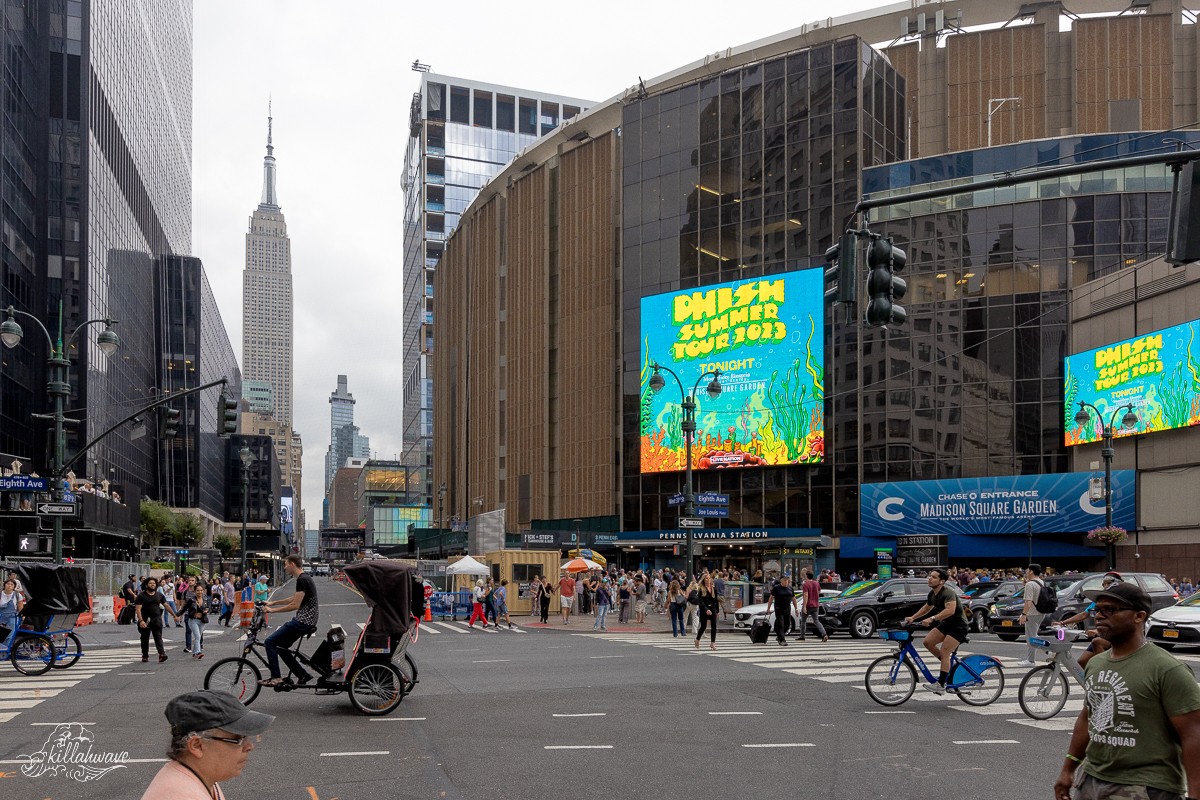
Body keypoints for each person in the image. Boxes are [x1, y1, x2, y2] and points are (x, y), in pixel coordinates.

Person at [1054, 582, 1200, 800]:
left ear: (1139, 616)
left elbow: (1193, 735)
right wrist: (1067, 769)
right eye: (1098, 609)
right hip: (1091, 781)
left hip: (1145, 787)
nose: (1099, 616)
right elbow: (1087, 718)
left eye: (1110, 610)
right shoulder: (1097, 663)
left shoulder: (1168, 669)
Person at [140, 689, 274, 800]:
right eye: (238, 738)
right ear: (197, 745)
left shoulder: (199, 776)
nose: (249, 746)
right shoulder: (181, 795)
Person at [903, 567, 969, 694]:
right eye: (929, 576)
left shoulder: (947, 593)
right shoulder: (932, 594)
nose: (930, 579)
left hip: (958, 626)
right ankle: (947, 665)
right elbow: (926, 607)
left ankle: (941, 685)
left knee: (944, 651)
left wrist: (932, 618)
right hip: (946, 624)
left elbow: (951, 610)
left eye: (933, 577)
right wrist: (913, 617)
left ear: (942, 581)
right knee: (928, 642)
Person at [260, 556, 318, 687]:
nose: (285, 567)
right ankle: (302, 675)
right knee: (281, 647)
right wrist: (273, 602)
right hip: (307, 621)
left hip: (303, 621)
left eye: (286, 565)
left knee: (269, 642)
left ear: (292, 564)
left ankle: (276, 677)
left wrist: (271, 610)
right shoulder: (305, 578)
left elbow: (295, 605)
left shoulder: (302, 580)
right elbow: (294, 598)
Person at [1055, 571, 1123, 670]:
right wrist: (1063, 623)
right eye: (1104, 583)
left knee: (1097, 643)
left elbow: (1120, 621)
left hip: (1116, 635)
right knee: (1081, 663)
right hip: (1104, 633)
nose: (1105, 586)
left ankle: (1108, 672)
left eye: (1108, 583)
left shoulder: (1121, 601)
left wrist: (1097, 631)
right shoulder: (1099, 600)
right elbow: (1084, 614)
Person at [136, 577, 179, 663]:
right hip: (145, 620)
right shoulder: (141, 596)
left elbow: (166, 605)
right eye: (150, 583)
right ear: (146, 585)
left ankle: (162, 654)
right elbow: (138, 609)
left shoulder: (159, 595)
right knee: (145, 638)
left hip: (156, 619)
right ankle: (145, 655)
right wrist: (141, 621)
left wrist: (174, 615)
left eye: (154, 583)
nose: (152, 585)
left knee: (158, 637)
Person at [1017, 563, 1048, 666]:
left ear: (1031, 571)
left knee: (1031, 637)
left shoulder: (1030, 584)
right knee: (1034, 635)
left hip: (1032, 613)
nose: (1026, 572)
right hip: (1041, 612)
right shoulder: (1041, 582)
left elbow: (1028, 602)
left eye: (1027, 570)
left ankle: (1031, 660)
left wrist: (1023, 614)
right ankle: (1048, 650)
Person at [180, 577, 208, 660]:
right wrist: (177, 615)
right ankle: (198, 652)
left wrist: (206, 610)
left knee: (198, 637)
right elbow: (184, 608)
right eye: (198, 590)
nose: (200, 592)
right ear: (195, 592)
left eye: (201, 590)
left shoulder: (205, 599)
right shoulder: (191, 600)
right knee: (198, 636)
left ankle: (195, 652)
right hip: (193, 620)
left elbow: (208, 607)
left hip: (202, 621)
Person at [799, 570, 829, 642]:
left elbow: (806, 595)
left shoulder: (806, 584)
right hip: (816, 605)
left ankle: (802, 636)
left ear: (806, 576)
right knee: (816, 621)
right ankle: (824, 634)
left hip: (808, 605)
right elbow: (819, 591)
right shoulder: (816, 583)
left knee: (803, 621)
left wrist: (804, 606)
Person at [769, 575, 800, 646]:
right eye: (785, 580)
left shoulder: (790, 588)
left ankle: (779, 636)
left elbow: (794, 598)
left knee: (787, 624)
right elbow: (771, 598)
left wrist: (796, 608)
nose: (786, 581)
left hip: (787, 608)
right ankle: (782, 640)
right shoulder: (776, 588)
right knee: (780, 623)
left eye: (787, 580)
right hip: (778, 607)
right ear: (781, 580)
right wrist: (768, 608)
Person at [694, 573, 720, 651]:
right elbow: (700, 601)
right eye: (706, 578)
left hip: (713, 608)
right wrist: (706, 609)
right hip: (704, 609)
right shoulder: (701, 589)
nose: (708, 580)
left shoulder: (713, 589)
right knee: (703, 626)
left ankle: (713, 643)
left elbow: (716, 600)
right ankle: (697, 639)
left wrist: (717, 611)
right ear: (703, 580)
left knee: (714, 626)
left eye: (709, 578)